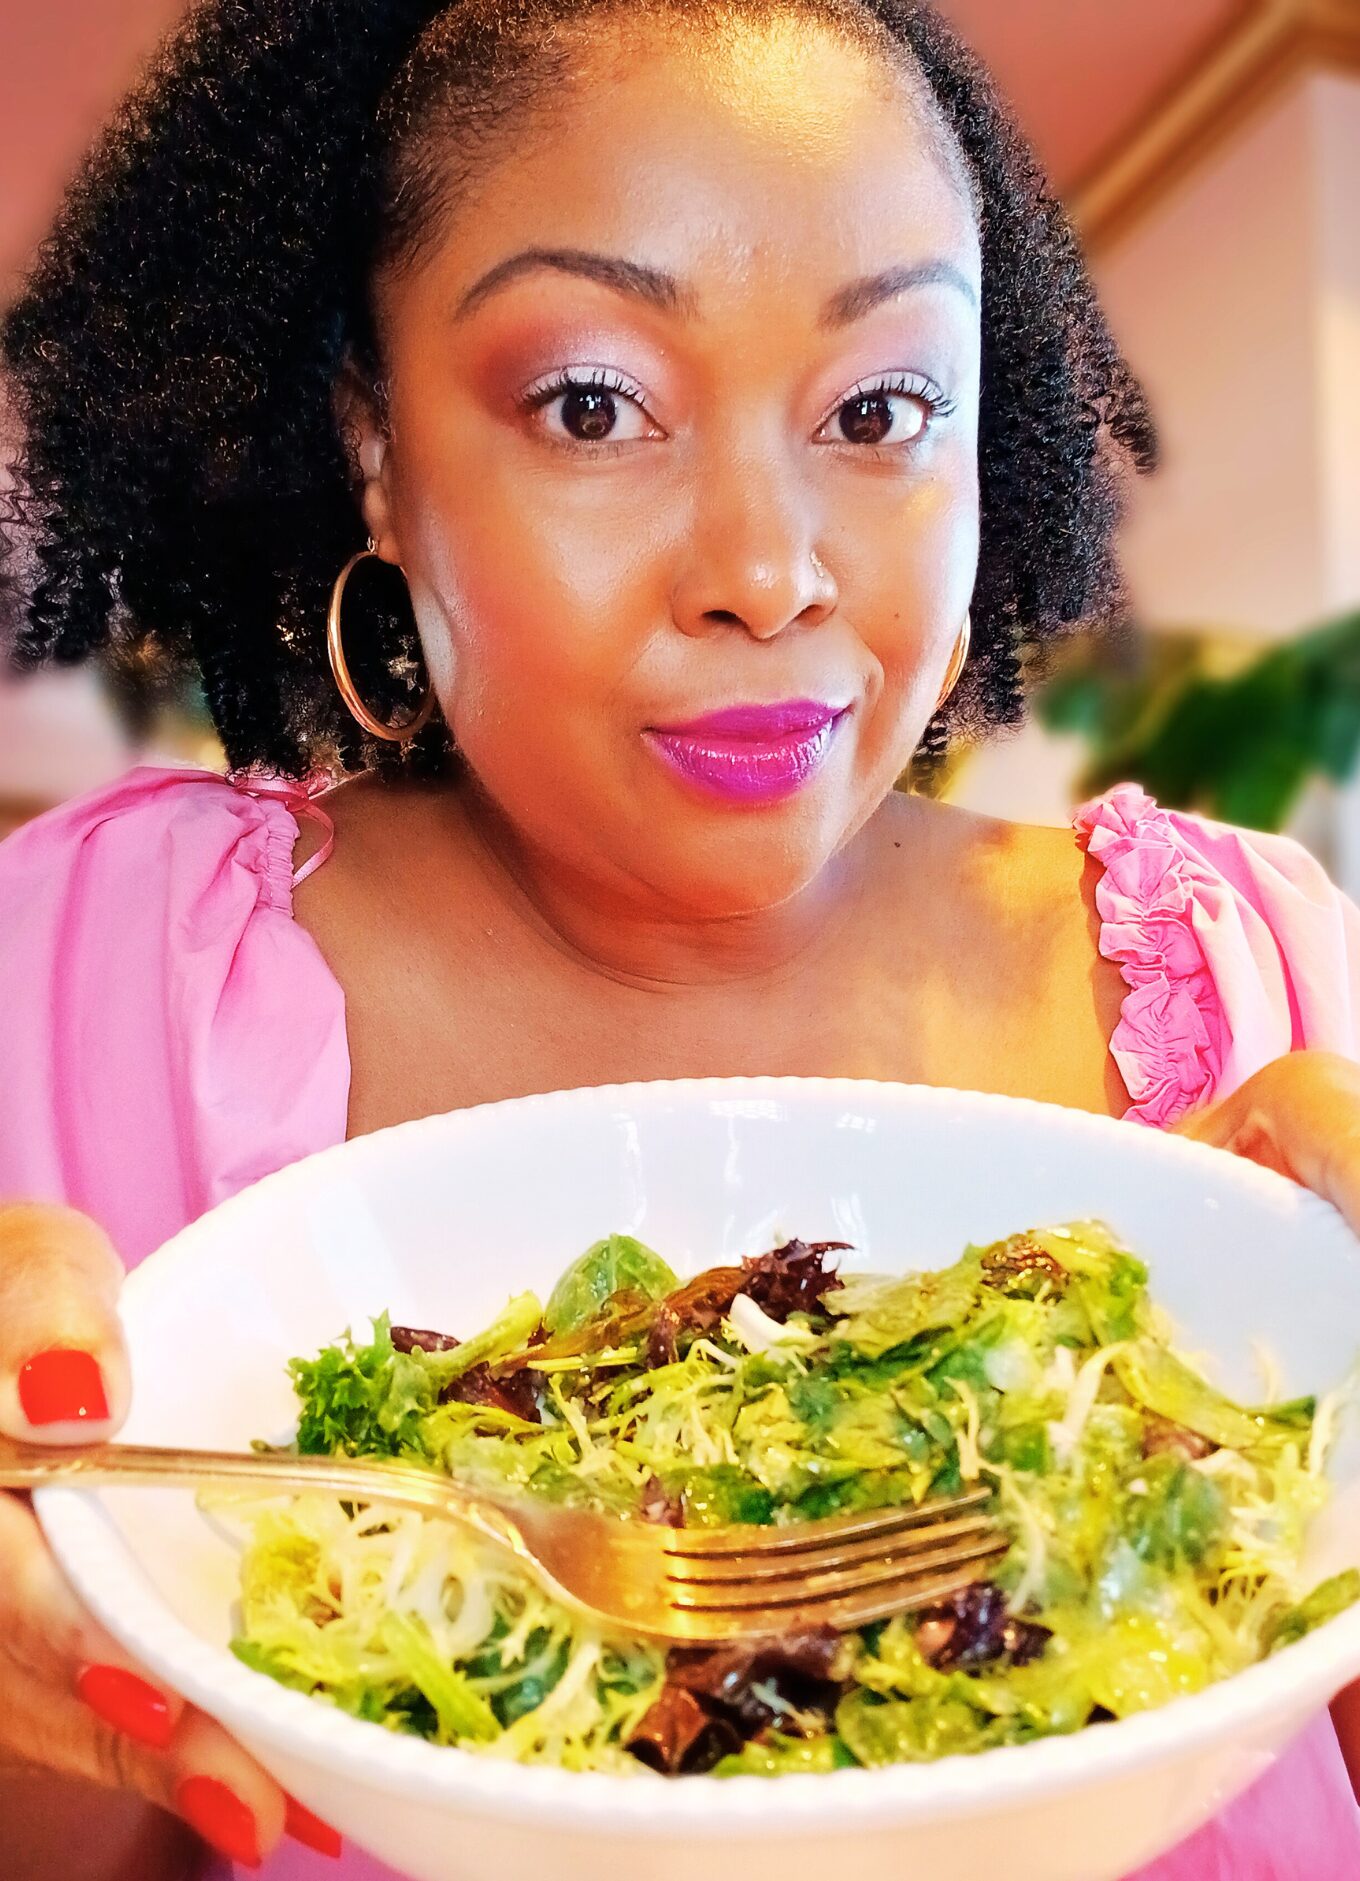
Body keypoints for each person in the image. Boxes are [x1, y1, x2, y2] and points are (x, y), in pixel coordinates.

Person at [3, 0, 1360, 1874]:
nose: (768, 567)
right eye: (591, 404)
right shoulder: (91, 988)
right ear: (376, 448)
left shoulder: (1256, 984)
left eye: (880, 411)